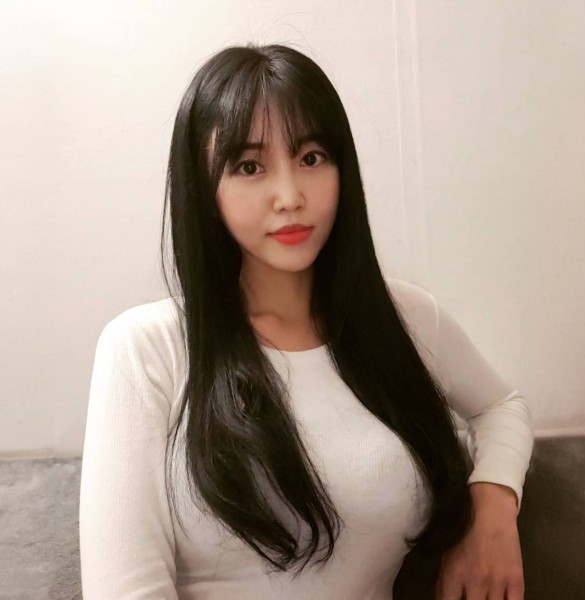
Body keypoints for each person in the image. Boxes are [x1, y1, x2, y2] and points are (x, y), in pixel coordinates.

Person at [79, 44, 534, 600]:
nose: (290, 196)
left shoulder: (405, 319)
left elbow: (501, 407)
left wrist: (492, 504)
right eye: (249, 167)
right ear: (204, 189)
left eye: (311, 157)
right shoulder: (147, 348)